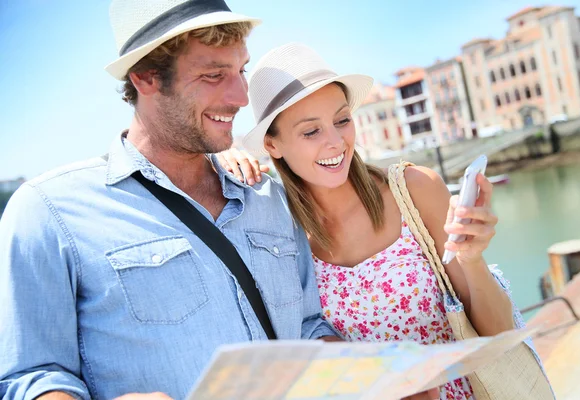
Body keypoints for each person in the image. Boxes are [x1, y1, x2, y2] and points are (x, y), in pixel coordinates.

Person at [0, 2, 346, 399]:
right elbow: (30, 378)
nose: (240, 96)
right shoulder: (47, 212)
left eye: (241, 70)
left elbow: (309, 328)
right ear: (146, 77)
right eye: (214, 75)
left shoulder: (269, 198)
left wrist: (384, 383)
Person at [217, 42, 547, 399]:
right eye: (311, 131)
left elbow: (498, 338)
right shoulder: (284, 237)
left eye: (342, 120)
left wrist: (472, 260)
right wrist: (218, 164)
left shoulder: (414, 190)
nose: (335, 142)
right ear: (272, 145)